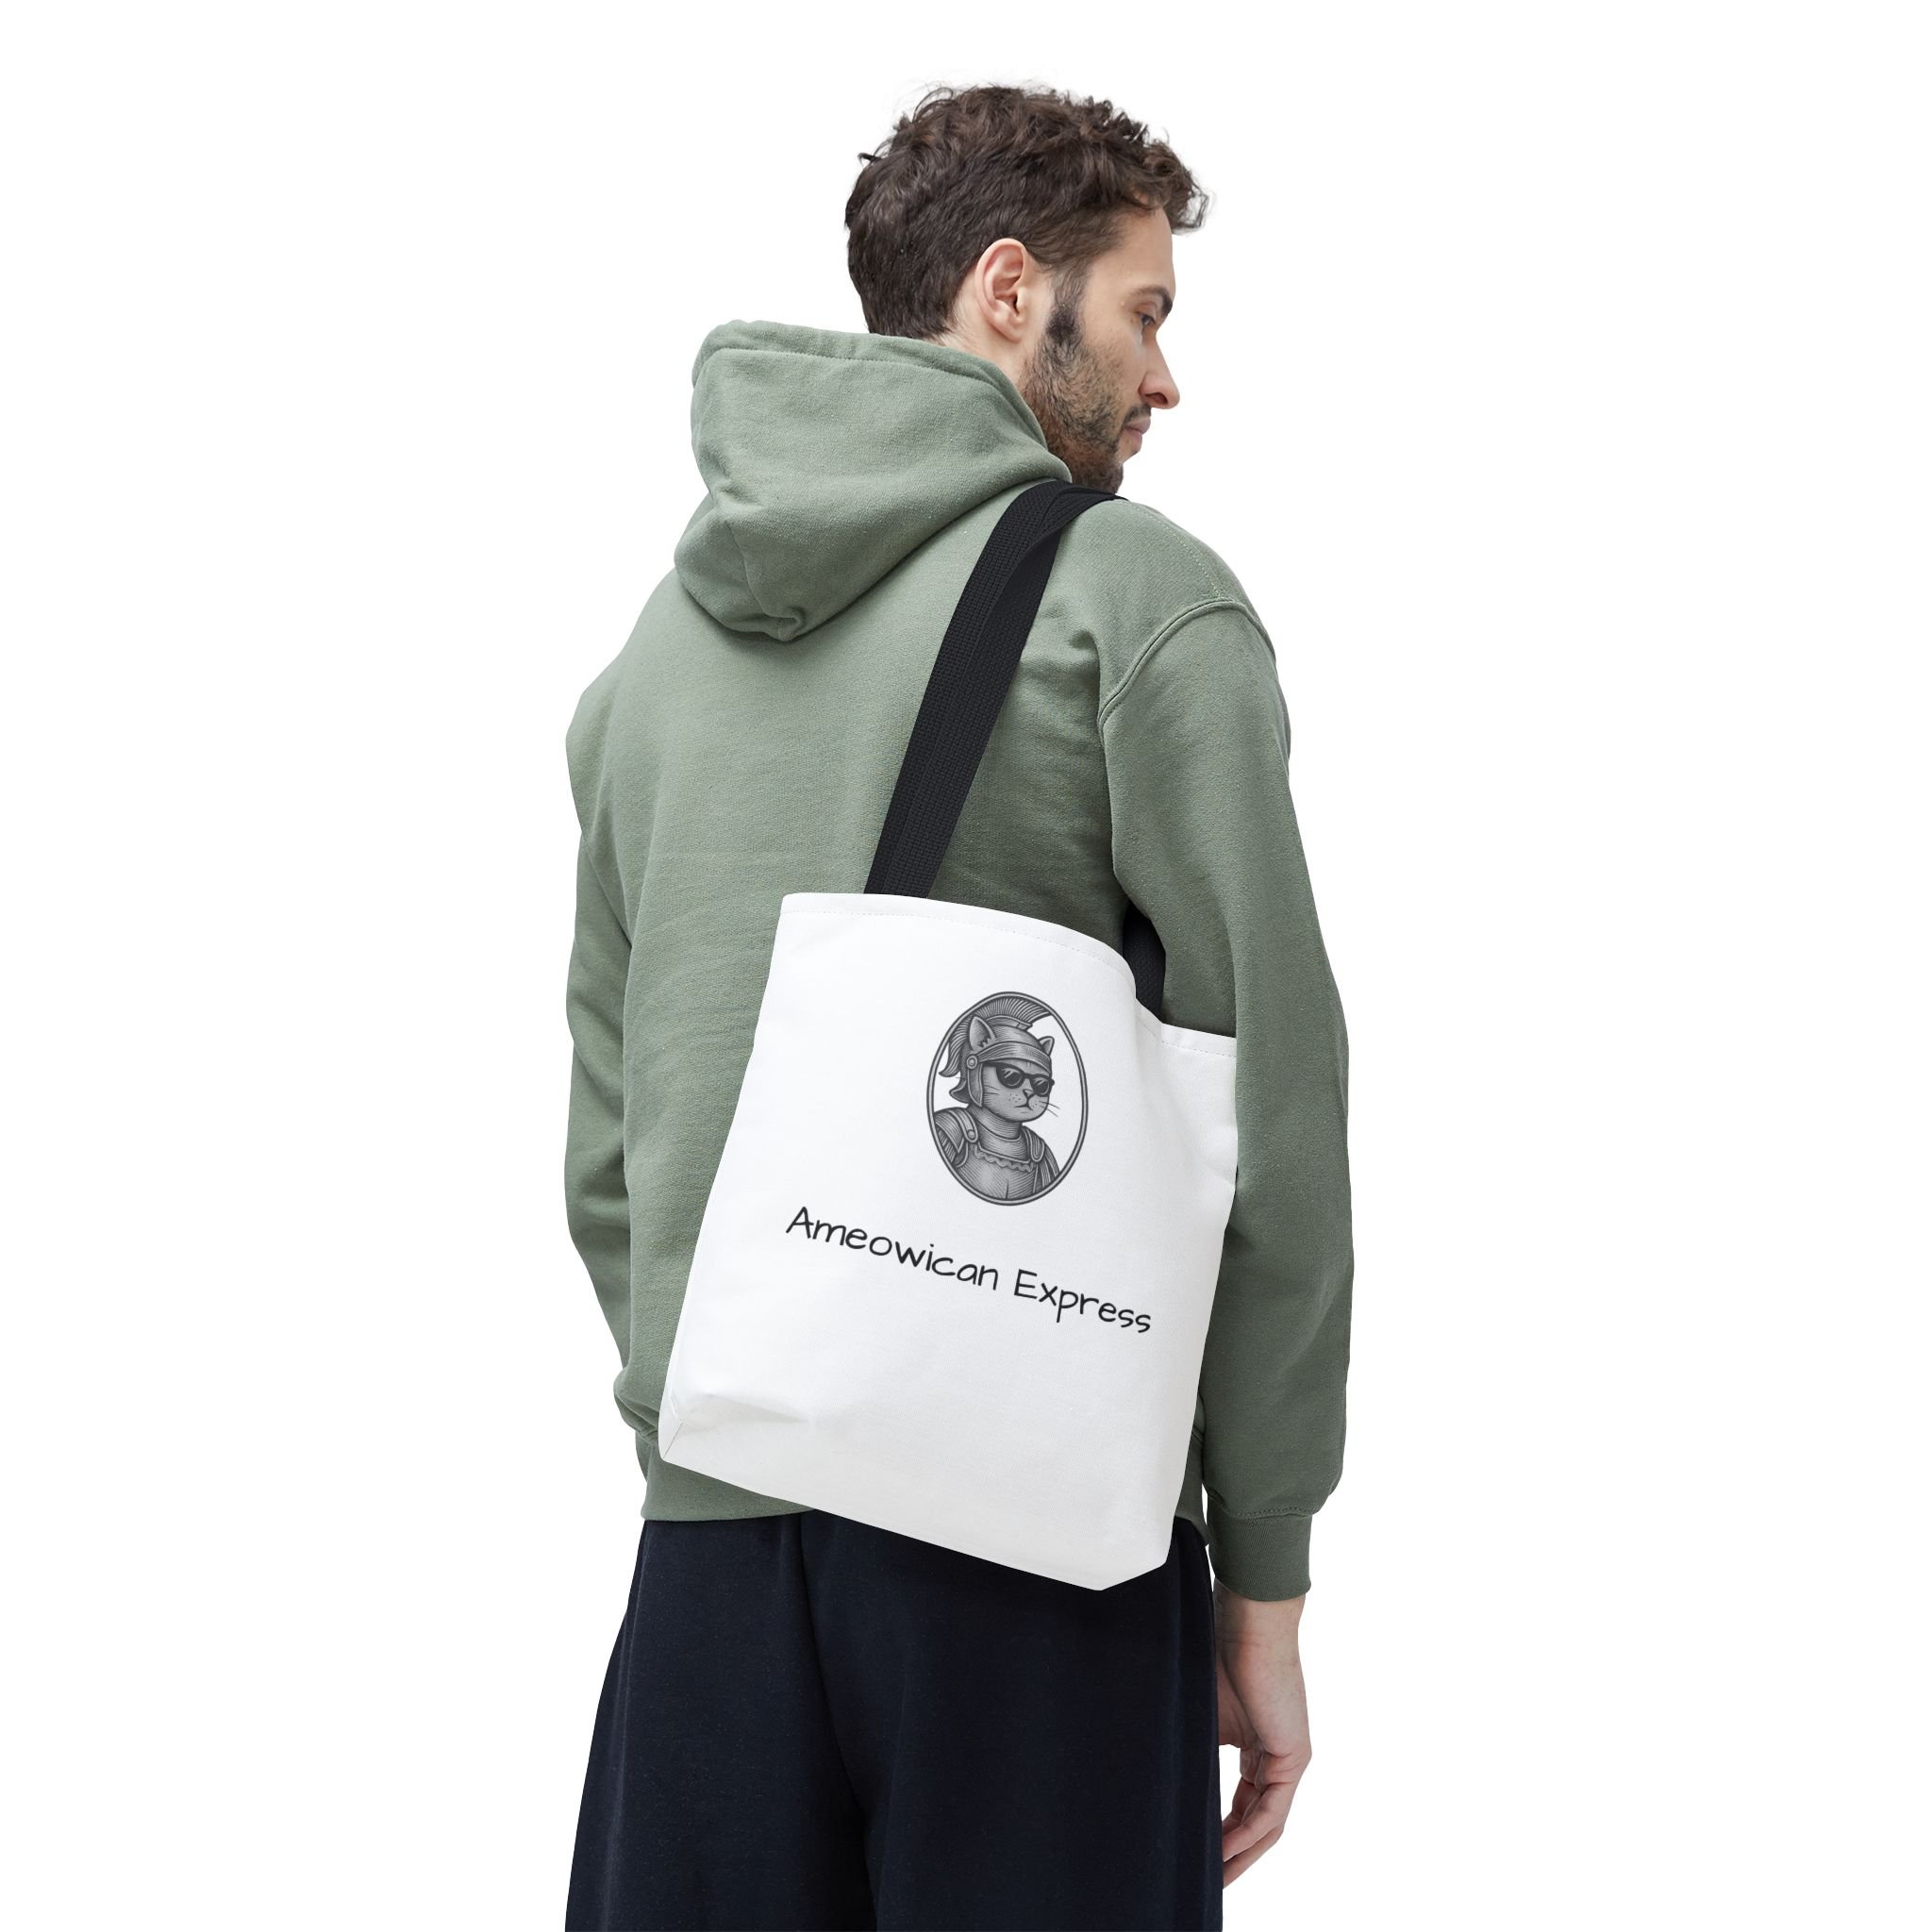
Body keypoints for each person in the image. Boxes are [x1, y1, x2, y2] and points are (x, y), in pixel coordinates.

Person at [560, 82, 1353, 1932]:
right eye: (1143, 312)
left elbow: (609, 1138)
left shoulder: (651, 661)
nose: (1164, 381)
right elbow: (1274, 1124)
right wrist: (1264, 1572)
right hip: (1033, 1551)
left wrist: (723, 1420)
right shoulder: (1134, 605)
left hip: (710, 1556)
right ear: (1011, 291)